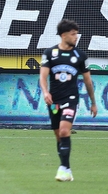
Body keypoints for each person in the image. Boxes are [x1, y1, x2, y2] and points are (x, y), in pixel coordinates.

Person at [39, 18, 97, 182]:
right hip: (54, 101)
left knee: (65, 131)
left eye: (76, 34)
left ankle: (63, 169)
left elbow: (88, 81)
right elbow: (43, 77)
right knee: (59, 135)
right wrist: (45, 92)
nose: (76, 37)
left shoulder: (80, 55)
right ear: (64, 35)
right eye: (73, 34)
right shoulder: (50, 53)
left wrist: (93, 102)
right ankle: (67, 168)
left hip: (71, 99)